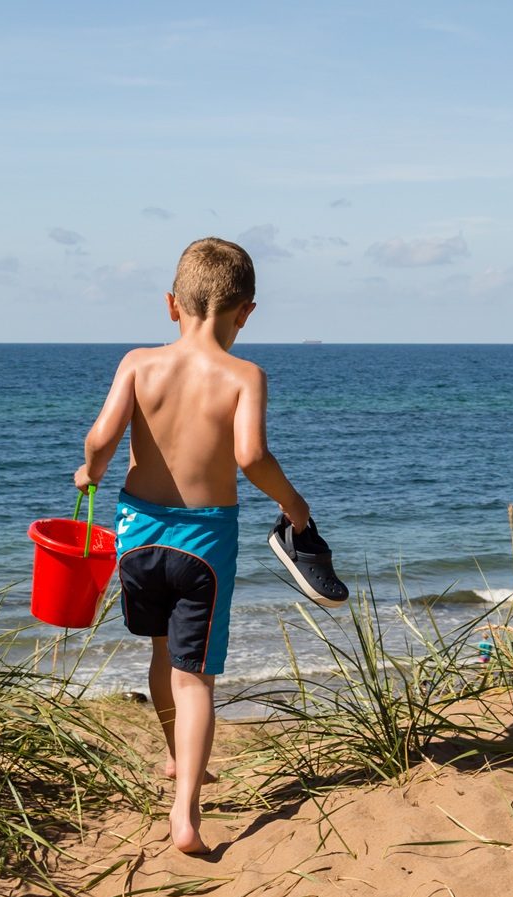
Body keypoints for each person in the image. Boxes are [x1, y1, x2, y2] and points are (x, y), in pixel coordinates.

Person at [75, 237, 310, 855]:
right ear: (246, 312)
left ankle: (182, 761)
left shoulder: (137, 363)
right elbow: (251, 456)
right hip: (204, 543)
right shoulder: (244, 375)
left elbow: (101, 438)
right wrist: (293, 505)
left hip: (137, 539)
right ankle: (186, 815)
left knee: (161, 654)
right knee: (196, 677)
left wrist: (89, 473)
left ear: (171, 304)